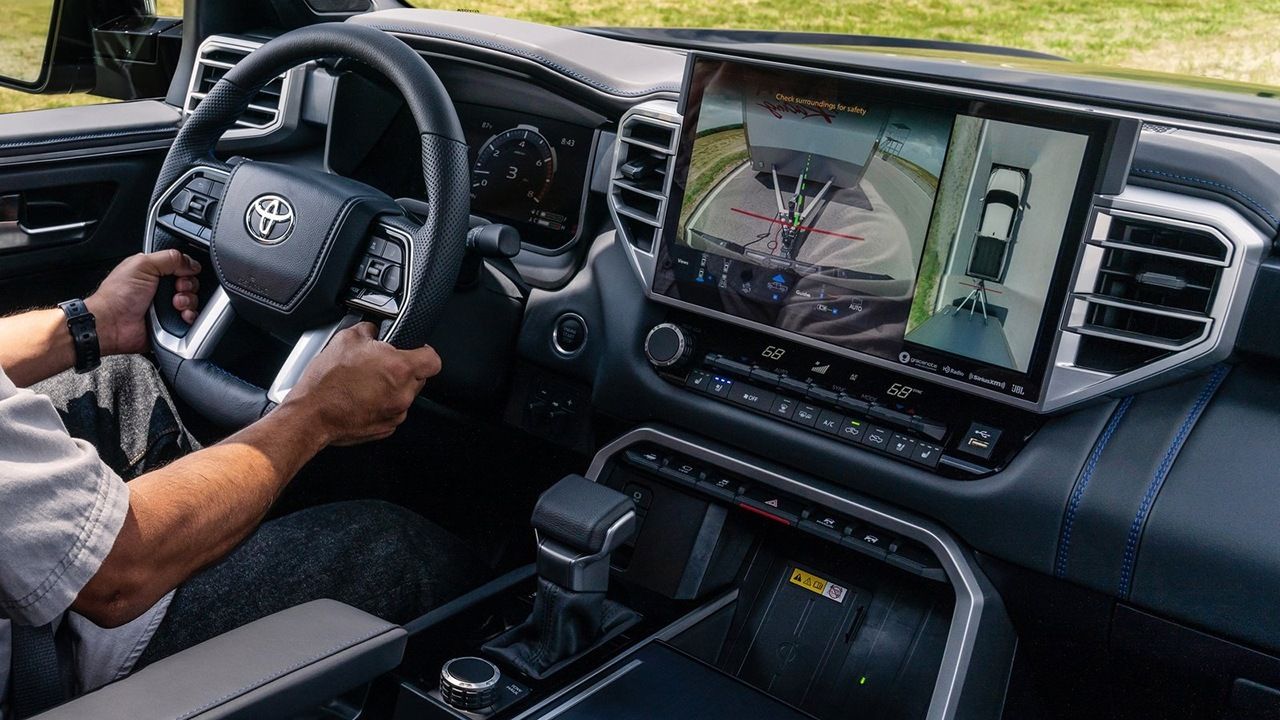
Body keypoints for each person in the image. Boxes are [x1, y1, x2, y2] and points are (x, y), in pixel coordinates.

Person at [0, 249, 475, 718]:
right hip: (44, 660)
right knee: (401, 550)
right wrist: (316, 413)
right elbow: (115, 575)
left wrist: (95, 323)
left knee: (122, 381)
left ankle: (213, 549)